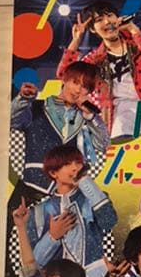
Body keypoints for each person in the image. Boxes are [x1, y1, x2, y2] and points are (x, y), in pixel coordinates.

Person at [12, 144, 117, 277]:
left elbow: (109, 221)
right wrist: (52, 237)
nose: (75, 168)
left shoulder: (94, 198)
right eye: (67, 164)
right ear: (53, 172)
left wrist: (85, 182)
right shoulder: (38, 212)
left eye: (78, 162)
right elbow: (34, 264)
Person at [57, 0, 141, 138]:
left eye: (110, 15)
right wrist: (76, 40)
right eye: (99, 20)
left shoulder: (140, 40)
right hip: (119, 113)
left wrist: (133, 30)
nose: (107, 21)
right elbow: (65, 75)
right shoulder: (94, 59)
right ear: (93, 29)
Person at [10, 61, 110, 207]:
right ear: (64, 79)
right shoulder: (37, 107)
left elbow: (103, 144)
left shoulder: (86, 118)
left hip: (66, 195)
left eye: (85, 87)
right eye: (75, 82)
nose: (78, 90)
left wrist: (91, 116)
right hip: (32, 188)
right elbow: (13, 121)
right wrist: (23, 99)